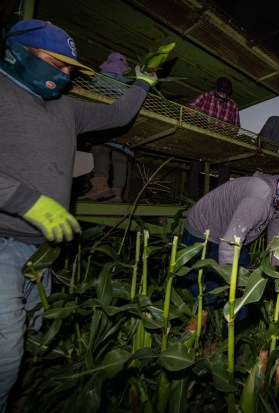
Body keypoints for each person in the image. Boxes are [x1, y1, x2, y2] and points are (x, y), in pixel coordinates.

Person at [0, 19, 157, 412]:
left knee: (36, 335)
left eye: (70, 69)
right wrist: (25, 200)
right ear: (16, 52)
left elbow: (118, 115)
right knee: (5, 348)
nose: (65, 75)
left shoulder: (66, 107)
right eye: (57, 64)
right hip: (2, 239)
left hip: (42, 253)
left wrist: (143, 83)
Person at [180, 169, 279, 325]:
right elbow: (229, 245)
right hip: (203, 230)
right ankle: (203, 329)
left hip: (228, 233)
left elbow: (275, 241)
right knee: (208, 292)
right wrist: (233, 287)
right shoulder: (258, 199)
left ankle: (227, 338)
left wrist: (277, 276)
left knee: (243, 285)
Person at [80, 52, 135, 202]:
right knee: (120, 158)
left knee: (100, 151)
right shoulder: (129, 82)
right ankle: (117, 194)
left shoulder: (100, 76)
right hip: (124, 126)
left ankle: (101, 186)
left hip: (104, 124)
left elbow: (90, 93)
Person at [185, 76, 240, 195]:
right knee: (195, 164)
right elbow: (190, 107)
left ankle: (217, 197)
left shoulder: (233, 106)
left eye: (225, 93)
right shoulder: (205, 96)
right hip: (202, 138)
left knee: (225, 168)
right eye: (220, 91)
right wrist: (199, 115)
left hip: (220, 142)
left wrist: (222, 129)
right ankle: (192, 197)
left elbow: (235, 128)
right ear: (216, 89)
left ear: (229, 92)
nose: (222, 94)